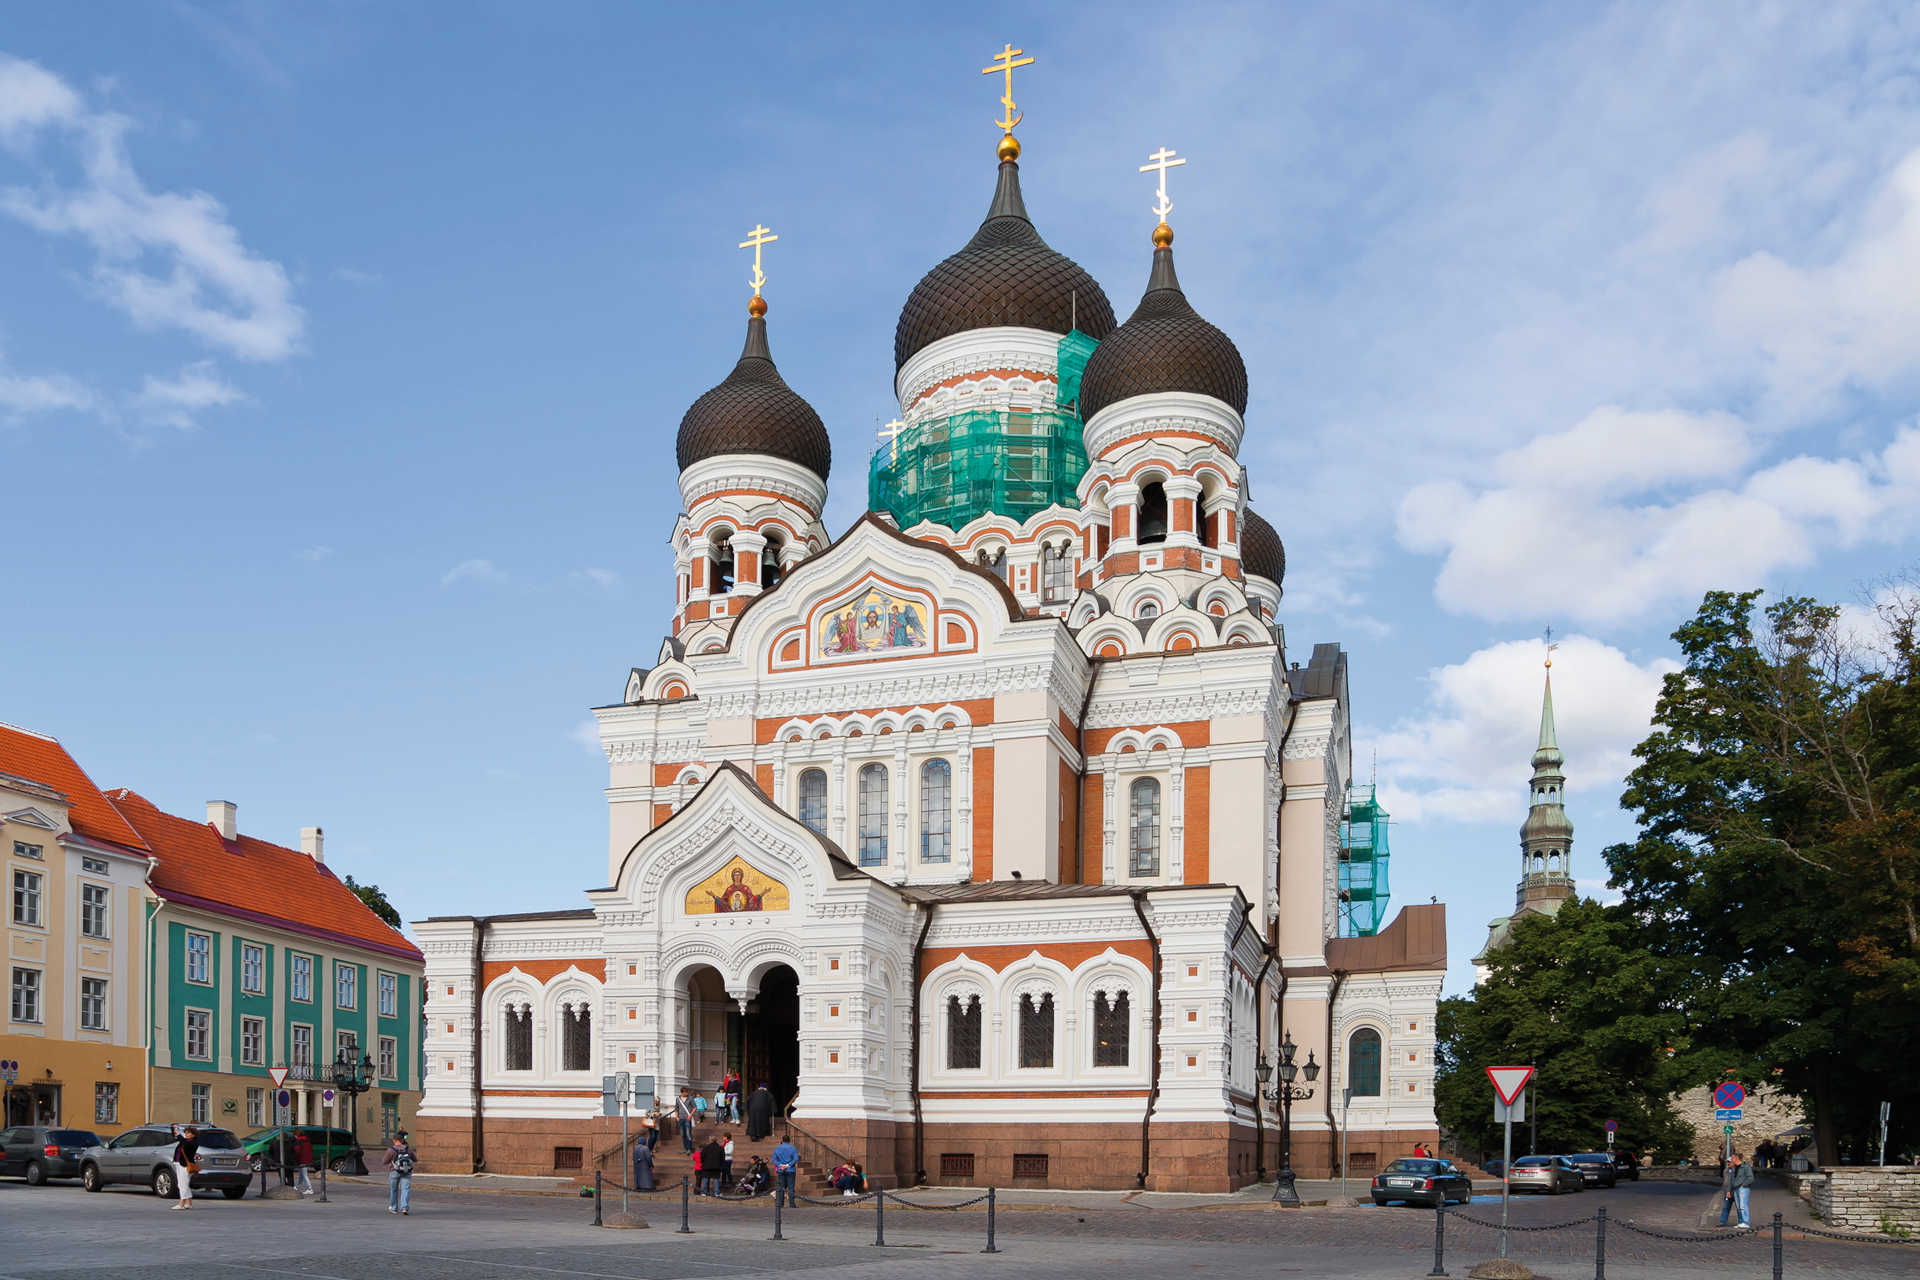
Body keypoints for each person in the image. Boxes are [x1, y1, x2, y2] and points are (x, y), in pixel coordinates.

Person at [1719, 1151, 1754, 1229]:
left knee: (1743, 1206)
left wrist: (1743, 1185)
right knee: (1739, 1207)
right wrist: (1728, 1191)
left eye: (1732, 1158)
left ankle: (1745, 1222)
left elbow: (1750, 1178)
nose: (1730, 1159)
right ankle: (1741, 1222)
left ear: (1736, 1158)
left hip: (1743, 1189)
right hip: (1735, 1189)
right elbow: (1731, 1181)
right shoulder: (1733, 1168)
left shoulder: (1745, 1166)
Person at [384, 1132, 416, 1216]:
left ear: (394, 1140)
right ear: (402, 1140)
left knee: (394, 1190)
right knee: (405, 1189)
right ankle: (404, 1207)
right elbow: (415, 1159)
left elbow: (384, 1161)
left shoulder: (391, 1149)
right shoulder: (408, 1149)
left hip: (394, 1171)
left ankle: (394, 1208)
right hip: (406, 1171)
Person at [169, 1126, 199, 1210]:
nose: (186, 1134)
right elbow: (176, 1137)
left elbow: (185, 1144)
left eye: (188, 1133)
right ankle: (189, 1203)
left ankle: (181, 1203)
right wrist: (174, 1129)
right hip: (178, 1163)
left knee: (183, 1184)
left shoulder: (193, 1142)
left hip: (185, 1165)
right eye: (185, 1133)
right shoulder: (185, 1140)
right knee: (183, 1184)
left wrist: (179, 1134)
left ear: (193, 1134)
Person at [771, 1134, 799, 1206]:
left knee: (781, 1187)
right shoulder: (793, 1148)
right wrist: (787, 1165)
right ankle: (792, 1204)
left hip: (781, 1170)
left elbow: (774, 1159)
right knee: (791, 1187)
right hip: (791, 1170)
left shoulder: (777, 1148)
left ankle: (781, 1203)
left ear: (782, 1140)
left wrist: (780, 1165)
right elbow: (796, 1158)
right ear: (789, 1140)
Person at [292, 1130, 316, 1196]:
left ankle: (310, 1189)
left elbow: (297, 1151)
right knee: (301, 1175)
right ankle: (296, 1187)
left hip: (301, 1160)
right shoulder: (307, 1140)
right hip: (307, 1159)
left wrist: (294, 1158)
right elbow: (311, 1150)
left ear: (296, 1135)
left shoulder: (298, 1141)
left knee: (304, 1175)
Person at [675, 1090, 697, 1154]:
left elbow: (695, 1107)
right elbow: (676, 1108)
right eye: (685, 1092)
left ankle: (689, 1148)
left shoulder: (690, 1098)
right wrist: (676, 1117)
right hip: (680, 1118)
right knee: (683, 1134)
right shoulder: (678, 1099)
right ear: (682, 1092)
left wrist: (690, 1115)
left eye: (687, 1092)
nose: (687, 1093)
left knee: (688, 1134)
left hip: (687, 1118)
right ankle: (685, 1148)